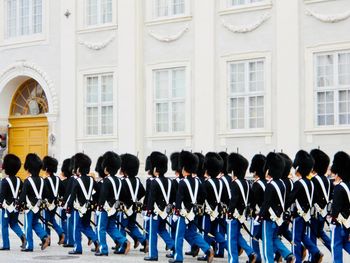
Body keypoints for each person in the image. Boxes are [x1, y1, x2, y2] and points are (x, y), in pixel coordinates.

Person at [169, 150, 214, 263]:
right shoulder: (197, 182)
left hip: (183, 213)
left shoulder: (182, 183)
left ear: (184, 169)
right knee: (192, 233)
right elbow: (203, 196)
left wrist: (177, 212)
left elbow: (179, 199)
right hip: (193, 213)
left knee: (179, 235)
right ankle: (207, 249)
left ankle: (178, 258)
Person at [288, 150, 323, 263]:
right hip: (307, 215)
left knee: (295, 239)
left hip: (298, 216)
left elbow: (290, 199)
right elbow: (316, 199)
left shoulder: (298, 184)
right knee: (302, 235)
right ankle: (315, 251)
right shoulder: (311, 183)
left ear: (299, 168)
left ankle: (297, 260)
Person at [259, 152, 294, 263]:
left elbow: (266, 203)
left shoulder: (270, 185)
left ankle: (269, 260)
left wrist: (259, 216)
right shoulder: (282, 183)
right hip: (278, 217)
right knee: (274, 238)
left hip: (268, 217)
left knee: (267, 241)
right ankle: (288, 254)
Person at [226, 152, 256, 263]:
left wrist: (229, 212)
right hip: (242, 214)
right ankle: (250, 252)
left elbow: (233, 199)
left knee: (231, 239)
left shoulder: (234, 183)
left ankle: (233, 260)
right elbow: (252, 199)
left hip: (234, 215)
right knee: (237, 235)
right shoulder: (247, 183)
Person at [145, 151, 175, 261]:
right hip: (165, 211)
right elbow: (171, 197)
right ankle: (174, 247)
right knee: (162, 230)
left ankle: (153, 255)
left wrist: (148, 212)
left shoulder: (154, 182)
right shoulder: (170, 181)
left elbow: (151, 198)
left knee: (153, 233)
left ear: (155, 168)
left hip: (156, 212)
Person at [66, 153, 99, 255]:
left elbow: (72, 196)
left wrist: (68, 207)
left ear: (78, 168)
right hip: (88, 207)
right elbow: (98, 190)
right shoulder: (91, 180)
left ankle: (78, 248)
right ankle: (96, 241)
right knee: (86, 226)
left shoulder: (77, 181)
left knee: (77, 228)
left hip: (78, 208)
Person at [19, 153, 50, 252]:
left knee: (28, 225)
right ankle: (44, 236)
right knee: (35, 223)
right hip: (38, 206)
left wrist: (19, 204)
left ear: (29, 168)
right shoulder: (42, 180)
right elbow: (46, 194)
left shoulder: (27, 181)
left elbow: (23, 196)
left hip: (29, 207)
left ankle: (29, 245)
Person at [119, 153, 147, 254]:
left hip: (125, 209)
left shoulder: (122, 181)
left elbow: (120, 195)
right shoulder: (137, 180)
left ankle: (122, 248)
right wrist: (134, 200)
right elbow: (143, 192)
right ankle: (144, 241)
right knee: (132, 226)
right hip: (134, 208)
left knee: (121, 227)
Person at [0, 154, 25, 250]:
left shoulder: (4, 181)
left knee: (4, 226)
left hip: (6, 207)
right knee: (14, 224)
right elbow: (22, 192)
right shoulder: (19, 180)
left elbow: (2, 195)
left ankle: (6, 245)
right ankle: (22, 236)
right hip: (15, 207)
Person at [309, 149, 332, 256]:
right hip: (323, 213)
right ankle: (333, 248)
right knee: (320, 232)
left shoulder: (314, 180)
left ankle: (314, 256)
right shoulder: (327, 180)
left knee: (312, 235)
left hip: (314, 212)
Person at [330, 151, 350, 263]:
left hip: (339, 223)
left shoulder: (339, 187)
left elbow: (336, 208)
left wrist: (332, 219)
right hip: (348, 221)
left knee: (336, 246)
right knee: (346, 243)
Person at [42, 156, 65, 245]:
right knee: (51, 220)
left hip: (48, 203)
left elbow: (44, 192)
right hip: (55, 203)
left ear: (47, 168)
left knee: (46, 221)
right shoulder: (58, 179)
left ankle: (49, 238)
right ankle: (60, 234)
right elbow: (62, 190)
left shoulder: (46, 180)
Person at [249, 154, 266, 263]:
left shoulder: (256, 184)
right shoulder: (266, 182)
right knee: (265, 237)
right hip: (267, 214)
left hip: (257, 215)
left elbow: (252, 201)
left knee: (254, 238)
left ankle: (257, 258)